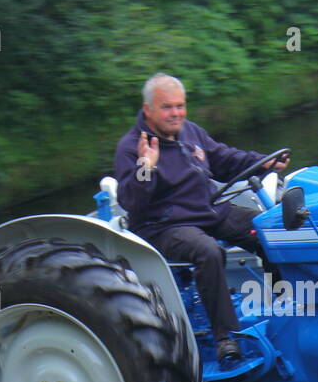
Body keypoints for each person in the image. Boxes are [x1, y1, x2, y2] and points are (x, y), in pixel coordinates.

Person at [113, 73, 289, 365]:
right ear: (148, 110)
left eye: (180, 106)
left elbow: (224, 159)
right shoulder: (132, 147)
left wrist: (264, 162)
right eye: (167, 107)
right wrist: (147, 166)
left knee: (269, 228)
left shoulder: (190, 132)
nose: (176, 113)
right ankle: (227, 338)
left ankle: (287, 306)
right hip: (164, 225)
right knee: (207, 251)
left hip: (208, 211)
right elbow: (132, 201)